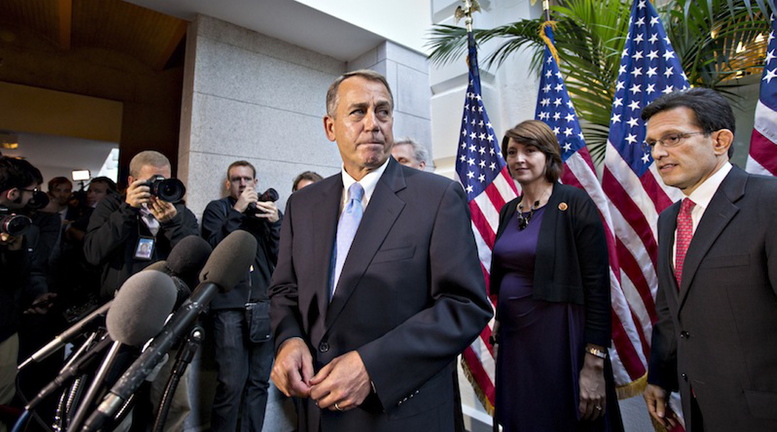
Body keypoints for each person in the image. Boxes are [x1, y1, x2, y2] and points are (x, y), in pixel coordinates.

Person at [269, 69, 492, 432]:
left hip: (401, 416)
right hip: (317, 414)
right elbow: (284, 290)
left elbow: (465, 305)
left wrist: (373, 366)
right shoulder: (302, 204)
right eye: (358, 111)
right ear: (330, 127)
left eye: (383, 111)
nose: (373, 124)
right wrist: (289, 339)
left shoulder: (437, 197)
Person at [642, 88, 777, 432]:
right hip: (697, 407)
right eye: (652, 143)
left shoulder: (769, 202)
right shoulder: (669, 220)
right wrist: (660, 377)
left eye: (672, 138)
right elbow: (672, 311)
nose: (658, 152)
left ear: (720, 141)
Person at [490, 120, 622, 431]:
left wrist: (594, 360)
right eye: (512, 152)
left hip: (560, 336)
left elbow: (597, 287)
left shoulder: (575, 203)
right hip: (515, 339)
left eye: (530, 150)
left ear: (548, 155)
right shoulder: (508, 210)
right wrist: (498, 325)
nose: (519, 159)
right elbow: (506, 273)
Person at [83, 150, 198, 430]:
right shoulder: (112, 206)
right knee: (112, 402)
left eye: (165, 180)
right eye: (152, 181)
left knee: (170, 404)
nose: (159, 187)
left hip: (166, 320)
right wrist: (128, 209)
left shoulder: (180, 212)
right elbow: (93, 253)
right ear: (132, 182)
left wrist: (173, 224)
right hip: (121, 318)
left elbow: (194, 261)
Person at [201, 160, 282, 431]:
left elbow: (282, 258)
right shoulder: (218, 210)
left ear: (256, 183)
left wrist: (276, 224)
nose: (243, 184)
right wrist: (236, 212)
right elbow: (213, 251)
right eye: (237, 179)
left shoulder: (265, 212)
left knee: (258, 383)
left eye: (248, 179)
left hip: (263, 306)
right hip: (229, 306)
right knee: (230, 383)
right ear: (228, 184)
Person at [0, 157, 53, 432]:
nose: (34, 197)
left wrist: (14, 249)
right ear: (13, 193)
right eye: (32, 191)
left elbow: (18, 278)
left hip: (6, 327)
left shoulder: (20, 228)